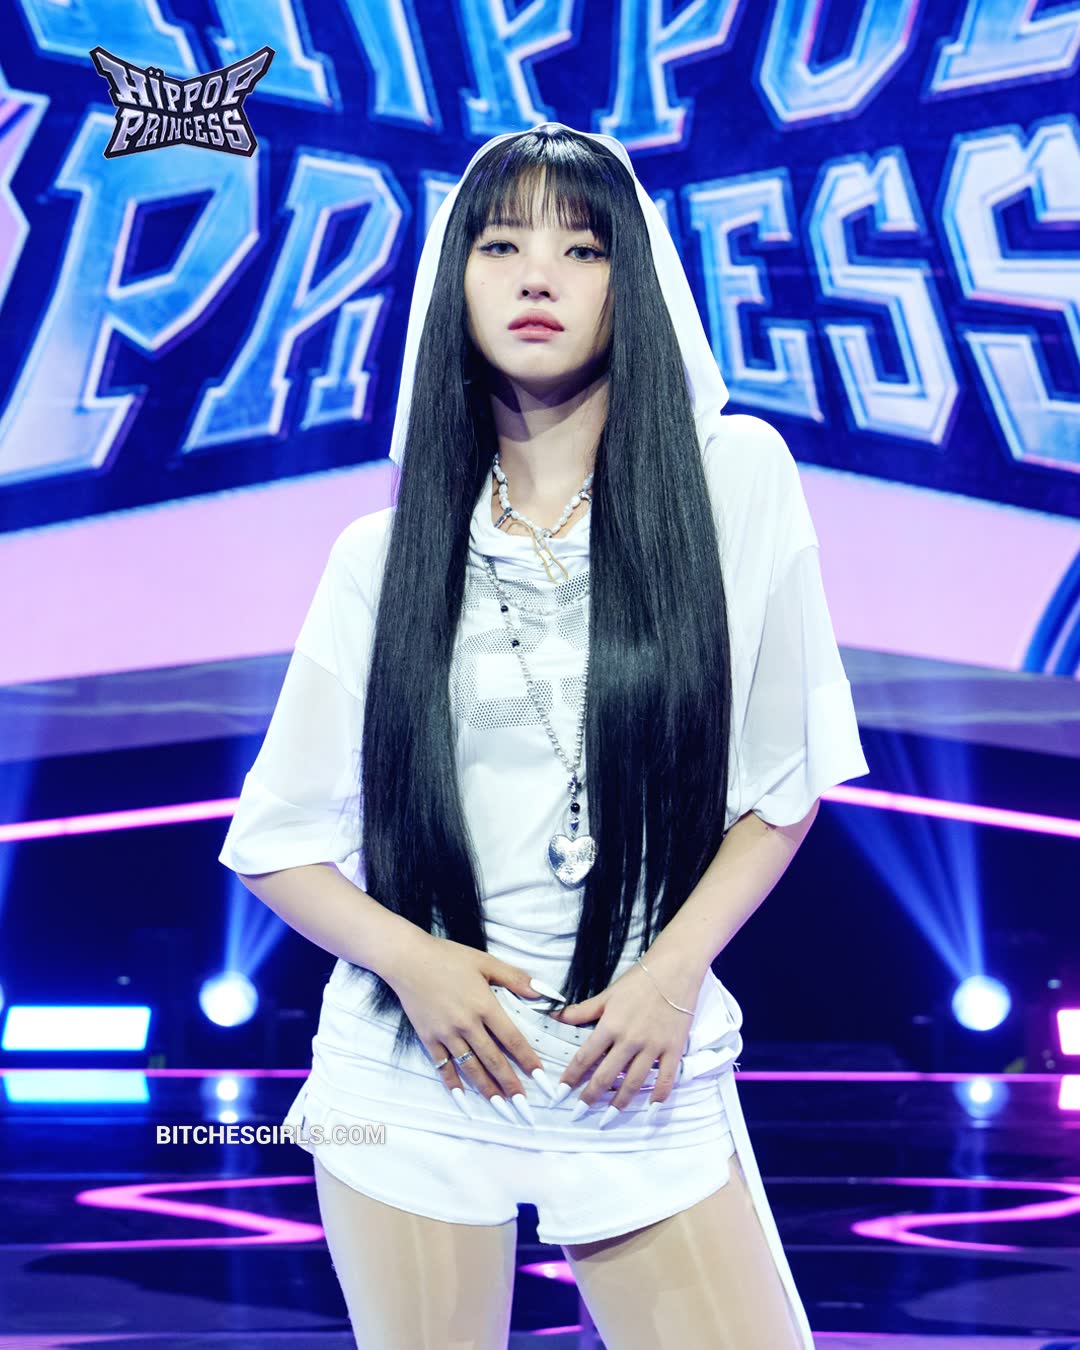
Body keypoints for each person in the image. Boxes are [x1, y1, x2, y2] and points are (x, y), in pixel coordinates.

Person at [218, 122, 869, 1349]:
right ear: (453, 281)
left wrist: (671, 977)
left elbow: (782, 790)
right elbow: (275, 843)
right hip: (415, 1069)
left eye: (581, 249)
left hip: (636, 1061)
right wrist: (415, 965)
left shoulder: (735, 481)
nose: (537, 277)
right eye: (501, 246)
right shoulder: (385, 553)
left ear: (635, 281)